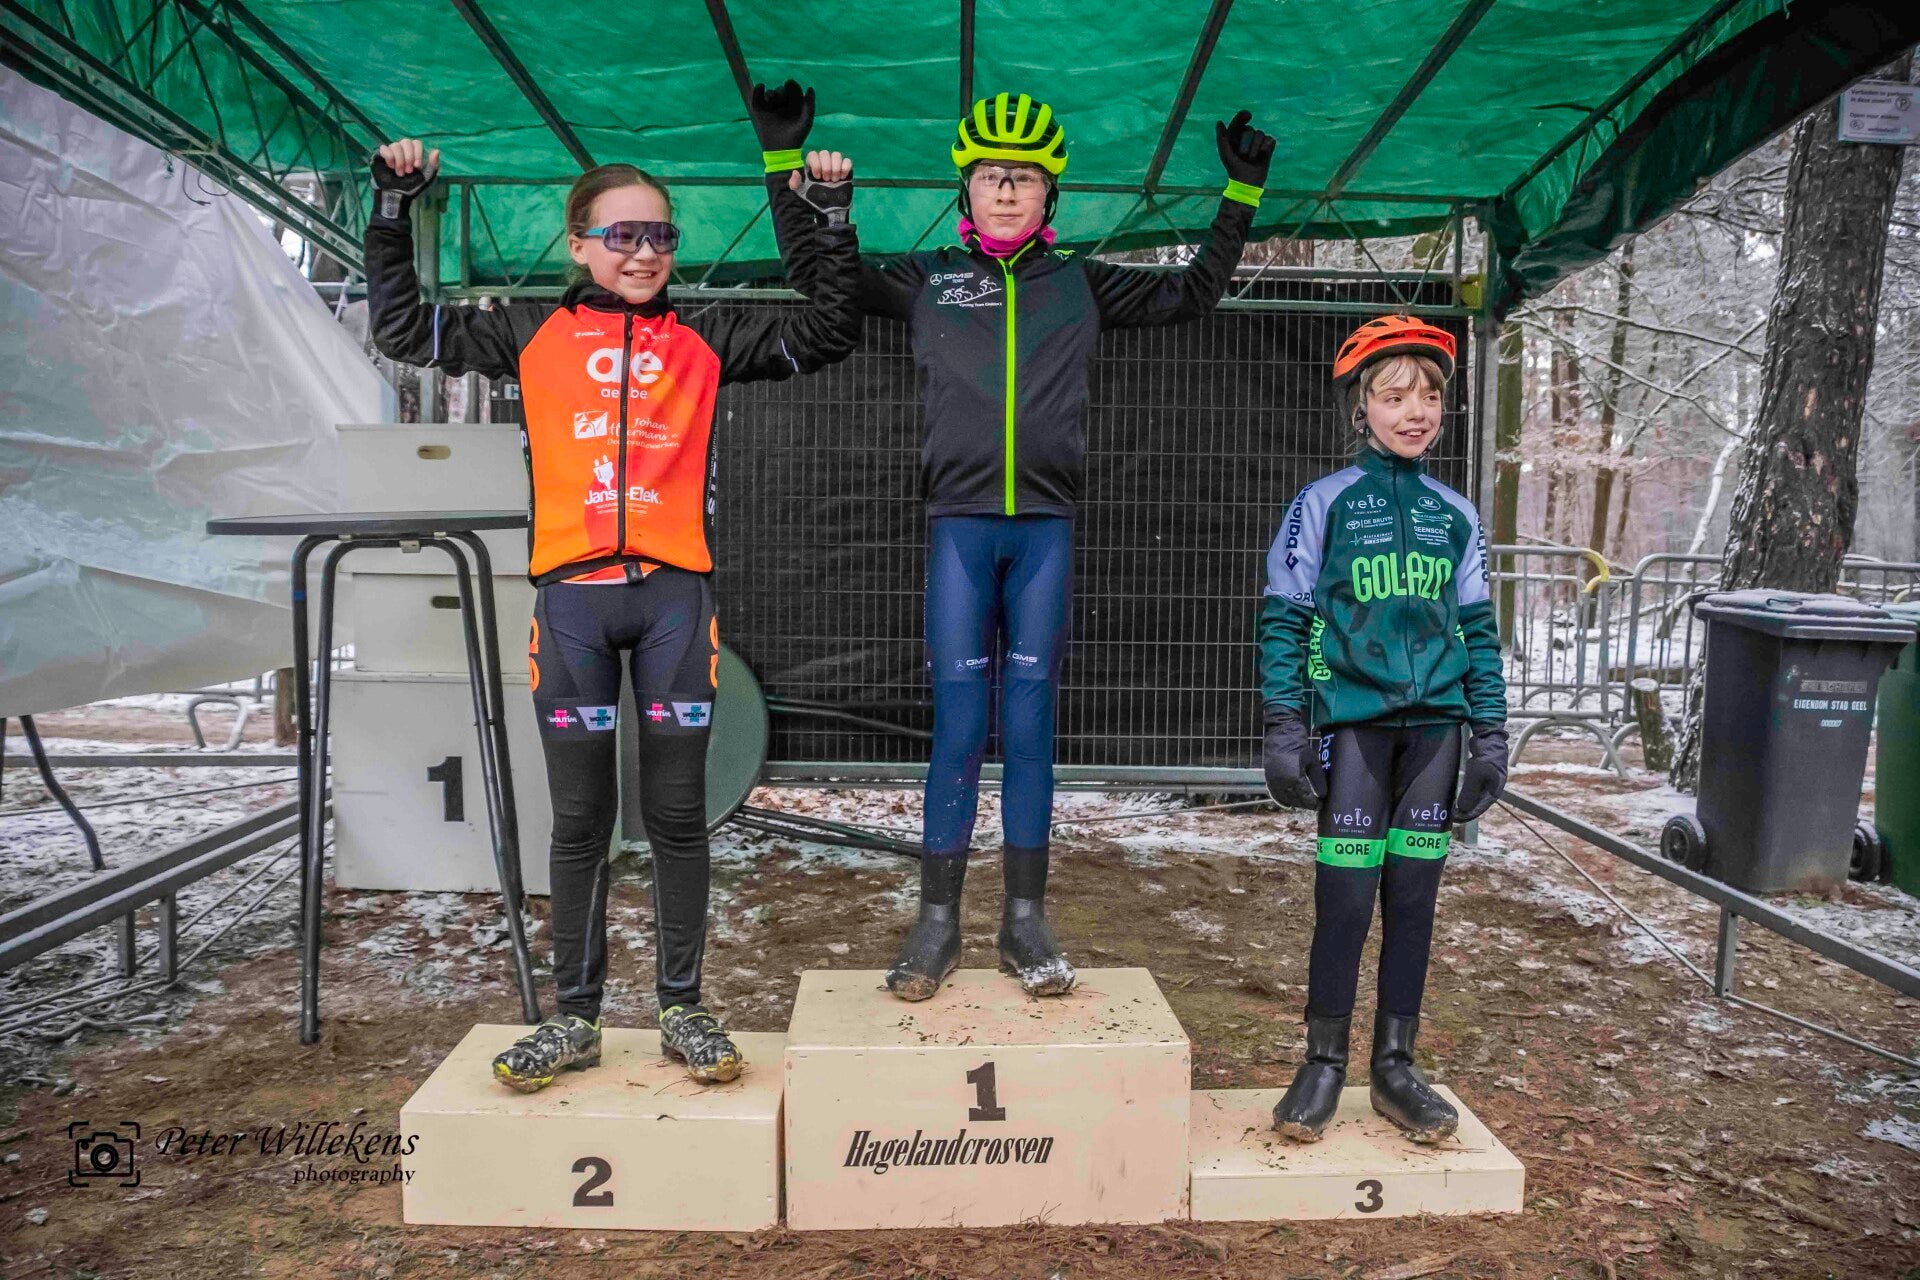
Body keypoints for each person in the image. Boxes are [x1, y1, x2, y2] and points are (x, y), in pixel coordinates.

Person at [749, 82, 1275, 1002]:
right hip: (958, 529)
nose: (1004, 189)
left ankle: (1025, 922)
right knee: (958, 728)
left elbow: (1193, 294)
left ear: (1048, 195)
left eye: (1023, 178)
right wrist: (782, 162)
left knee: (1029, 728)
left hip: (1044, 532)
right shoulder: (926, 279)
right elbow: (814, 275)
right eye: (990, 174)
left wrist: (1240, 194)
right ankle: (937, 924)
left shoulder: (1081, 281)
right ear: (965, 189)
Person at [363, 138, 863, 1088]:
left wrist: (829, 219)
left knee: (677, 815)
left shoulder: (705, 335)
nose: (644, 253)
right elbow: (397, 326)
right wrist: (392, 207)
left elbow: (833, 327)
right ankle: (575, 1019)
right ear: (579, 243)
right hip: (572, 609)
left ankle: (684, 1008)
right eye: (623, 235)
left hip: (673, 601)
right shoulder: (528, 329)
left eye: (661, 236)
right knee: (581, 821)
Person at [1257, 314, 1510, 1144]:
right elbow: (1286, 619)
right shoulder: (1322, 503)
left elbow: (1478, 631)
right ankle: (1322, 1064)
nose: (1416, 411)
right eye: (1395, 396)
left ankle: (1396, 1067)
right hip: (1356, 733)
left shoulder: (1455, 513)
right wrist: (1286, 725)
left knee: (1413, 901)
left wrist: (1491, 735)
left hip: (1436, 736)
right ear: (1360, 408)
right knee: (1345, 901)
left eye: (1429, 396)